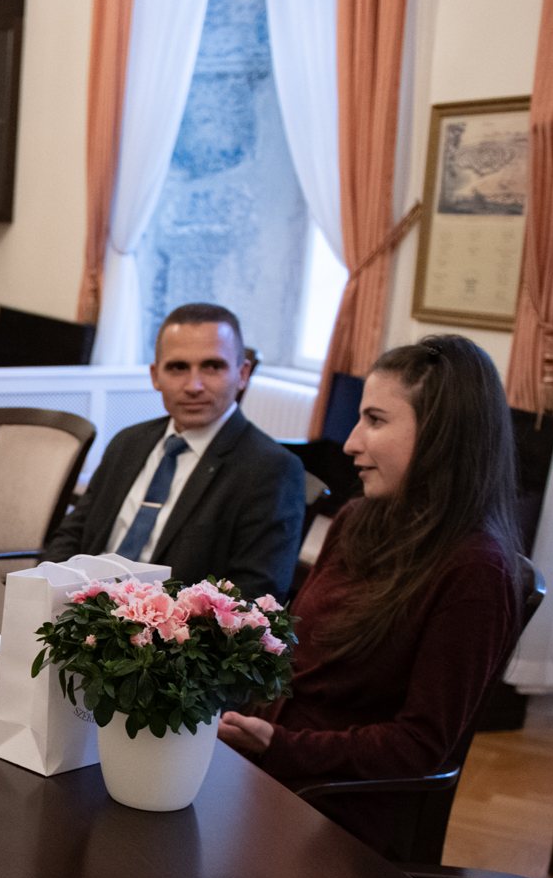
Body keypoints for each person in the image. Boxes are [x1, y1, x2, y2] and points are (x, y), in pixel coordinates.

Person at [217, 334, 525, 850]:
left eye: (375, 421)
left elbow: (418, 746)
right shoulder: (358, 519)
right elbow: (295, 656)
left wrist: (282, 746)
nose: (350, 443)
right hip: (268, 767)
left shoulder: (475, 572)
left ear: (441, 436)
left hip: (336, 808)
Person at [40, 303, 305, 603]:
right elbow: (72, 535)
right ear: (155, 376)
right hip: (78, 612)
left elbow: (252, 597)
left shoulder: (271, 469)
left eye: (212, 366)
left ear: (242, 374)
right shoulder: (128, 442)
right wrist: (48, 594)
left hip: (170, 629)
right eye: (178, 368)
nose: (194, 386)